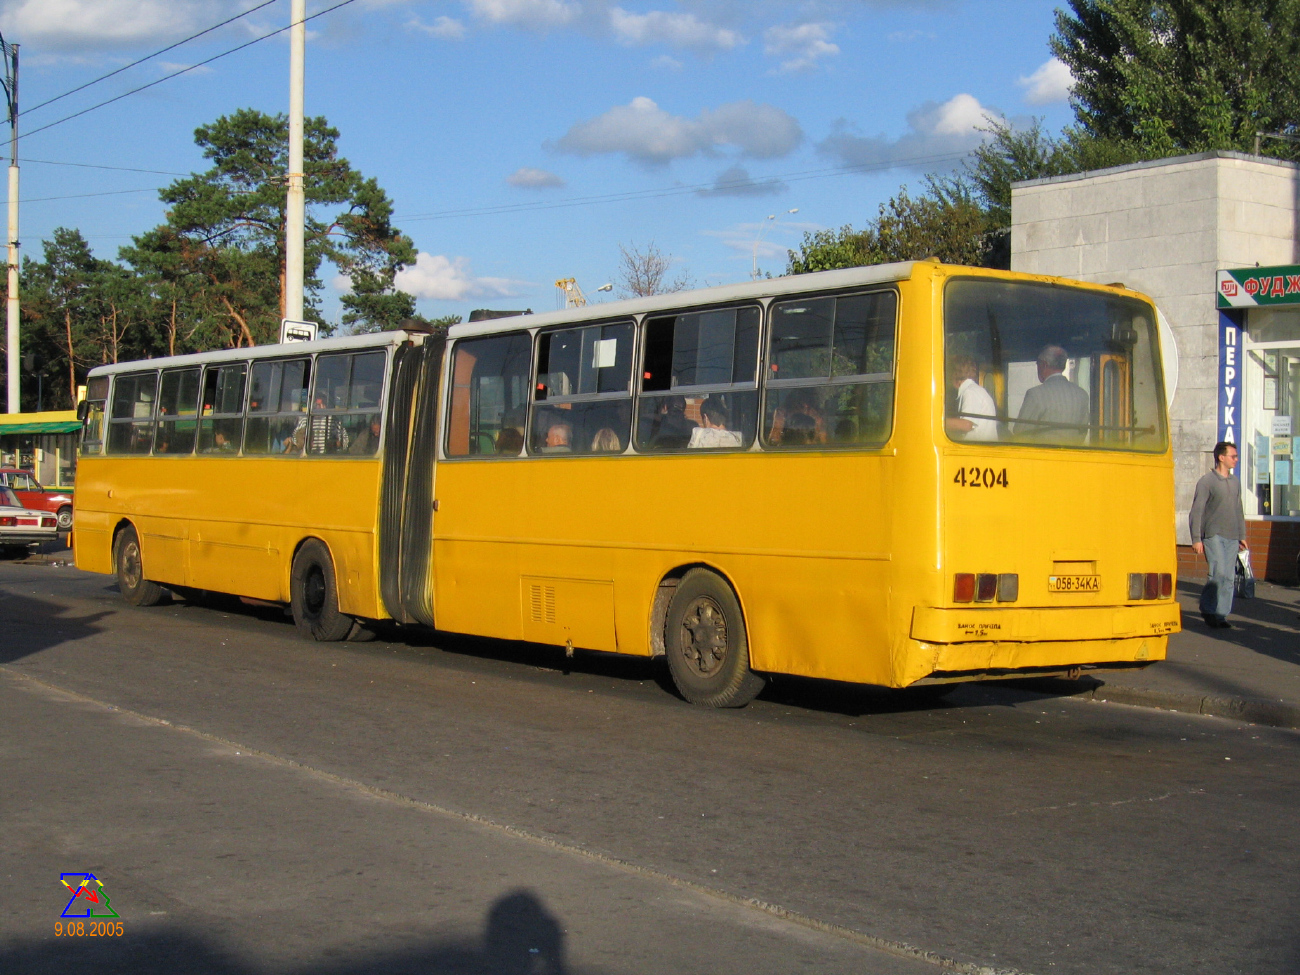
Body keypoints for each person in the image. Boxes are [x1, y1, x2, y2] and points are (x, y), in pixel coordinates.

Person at [1189, 441, 1247, 629]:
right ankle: (1208, 609)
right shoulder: (1207, 482)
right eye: (1233, 456)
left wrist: (1241, 534)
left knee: (1229, 577)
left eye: (1236, 456)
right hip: (1213, 534)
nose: (1236, 460)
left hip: (1232, 536)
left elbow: (1238, 510)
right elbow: (1197, 511)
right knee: (1218, 574)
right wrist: (1196, 538)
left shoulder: (1235, 481)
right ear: (1221, 458)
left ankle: (1221, 615)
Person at [1014, 345, 1089, 443]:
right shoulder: (1082, 395)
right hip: (1072, 455)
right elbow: (1083, 432)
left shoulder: (1035, 394)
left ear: (1044, 365)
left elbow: (1020, 432)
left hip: (1042, 456)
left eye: (1038, 363)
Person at [945, 355, 999, 442]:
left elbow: (966, 424)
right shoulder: (973, 390)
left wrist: (937, 422)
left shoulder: (970, 392)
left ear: (955, 374)